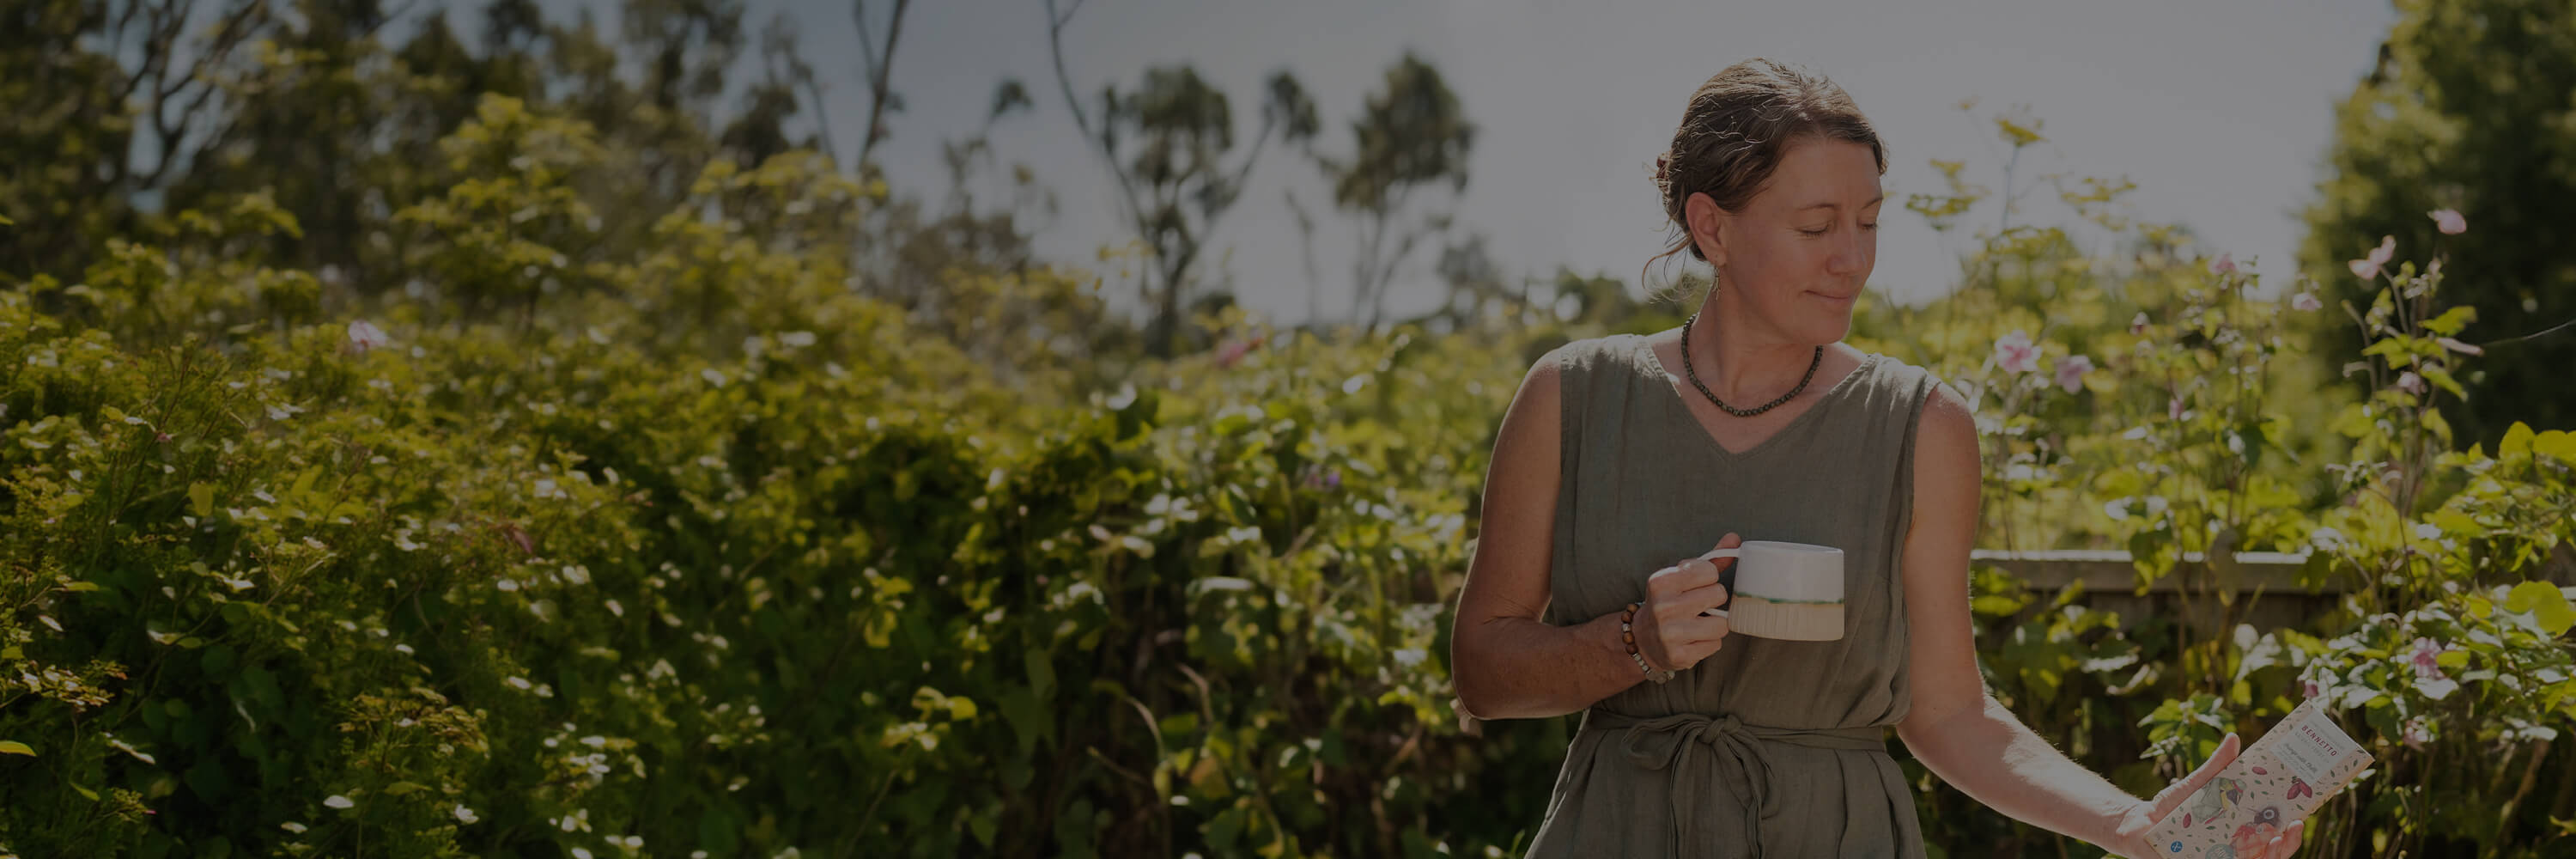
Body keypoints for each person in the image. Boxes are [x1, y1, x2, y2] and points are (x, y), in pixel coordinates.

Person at [1445, 58, 2308, 858]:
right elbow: (1483, 673)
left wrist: (2131, 823)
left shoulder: (1922, 424)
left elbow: (1948, 711)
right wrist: (1633, 642)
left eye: (1866, 222)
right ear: (1711, 225)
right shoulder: (1573, 397)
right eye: (1817, 225)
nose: (1852, 260)